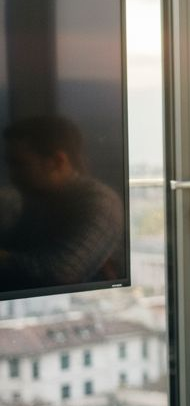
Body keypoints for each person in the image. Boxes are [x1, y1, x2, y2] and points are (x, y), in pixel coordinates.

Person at [0, 114, 124, 290]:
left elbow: (64, 272)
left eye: (20, 165)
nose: (13, 175)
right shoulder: (36, 198)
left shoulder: (100, 201)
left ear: (58, 161)